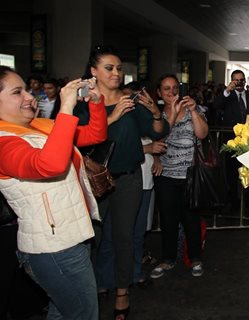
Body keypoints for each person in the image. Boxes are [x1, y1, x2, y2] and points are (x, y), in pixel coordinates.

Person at [0, 66, 107, 319]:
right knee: (83, 314)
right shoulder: (4, 142)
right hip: (53, 249)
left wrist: (96, 102)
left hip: (70, 238)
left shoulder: (38, 126)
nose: (29, 97)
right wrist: (66, 108)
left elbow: (94, 134)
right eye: (18, 92)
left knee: (62, 313)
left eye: (26, 89)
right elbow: (50, 165)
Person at [74, 45, 169, 320]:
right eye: (109, 68)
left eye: (118, 68)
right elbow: (80, 139)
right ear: (93, 72)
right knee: (93, 237)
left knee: (124, 237)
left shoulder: (131, 103)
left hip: (128, 179)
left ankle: (122, 292)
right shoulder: (84, 106)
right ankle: (89, 289)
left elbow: (157, 131)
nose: (116, 73)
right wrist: (111, 116)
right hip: (95, 179)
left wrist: (154, 112)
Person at [150, 74, 209, 279]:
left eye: (175, 88)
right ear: (159, 92)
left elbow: (202, 134)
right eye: (166, 89)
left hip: (190, 175)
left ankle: (195, 258)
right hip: (166, 174)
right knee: (168, 219)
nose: (171, 92)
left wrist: (193, 111)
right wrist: (173, 115)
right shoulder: (156, 115)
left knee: (191, 218)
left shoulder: (196, 109)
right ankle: (168, 259)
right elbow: (159, 140)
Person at [214, 70, 249, 208]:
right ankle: (233, 200)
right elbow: (216, 105)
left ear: (245, 81)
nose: (239, 83)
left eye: (242, 80)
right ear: (232, 81)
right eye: (236, 80)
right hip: (232, 140)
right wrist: (227, 90)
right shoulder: (227, 96)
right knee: (232, 171)